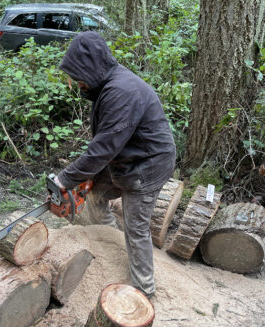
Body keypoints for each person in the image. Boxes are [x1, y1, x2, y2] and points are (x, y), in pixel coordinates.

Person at [55, 31, 176, 299]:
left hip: (148, 165)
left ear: (91, 68)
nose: (77, 83)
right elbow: (107, 142)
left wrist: (65, 179)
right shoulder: (106, 85)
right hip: (127, 157)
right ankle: (108, 238)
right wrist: (87, 179)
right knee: (97, 193)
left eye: (78, 77)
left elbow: (103, 148)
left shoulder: (121, 91)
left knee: (136, 228)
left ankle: (144, 289)